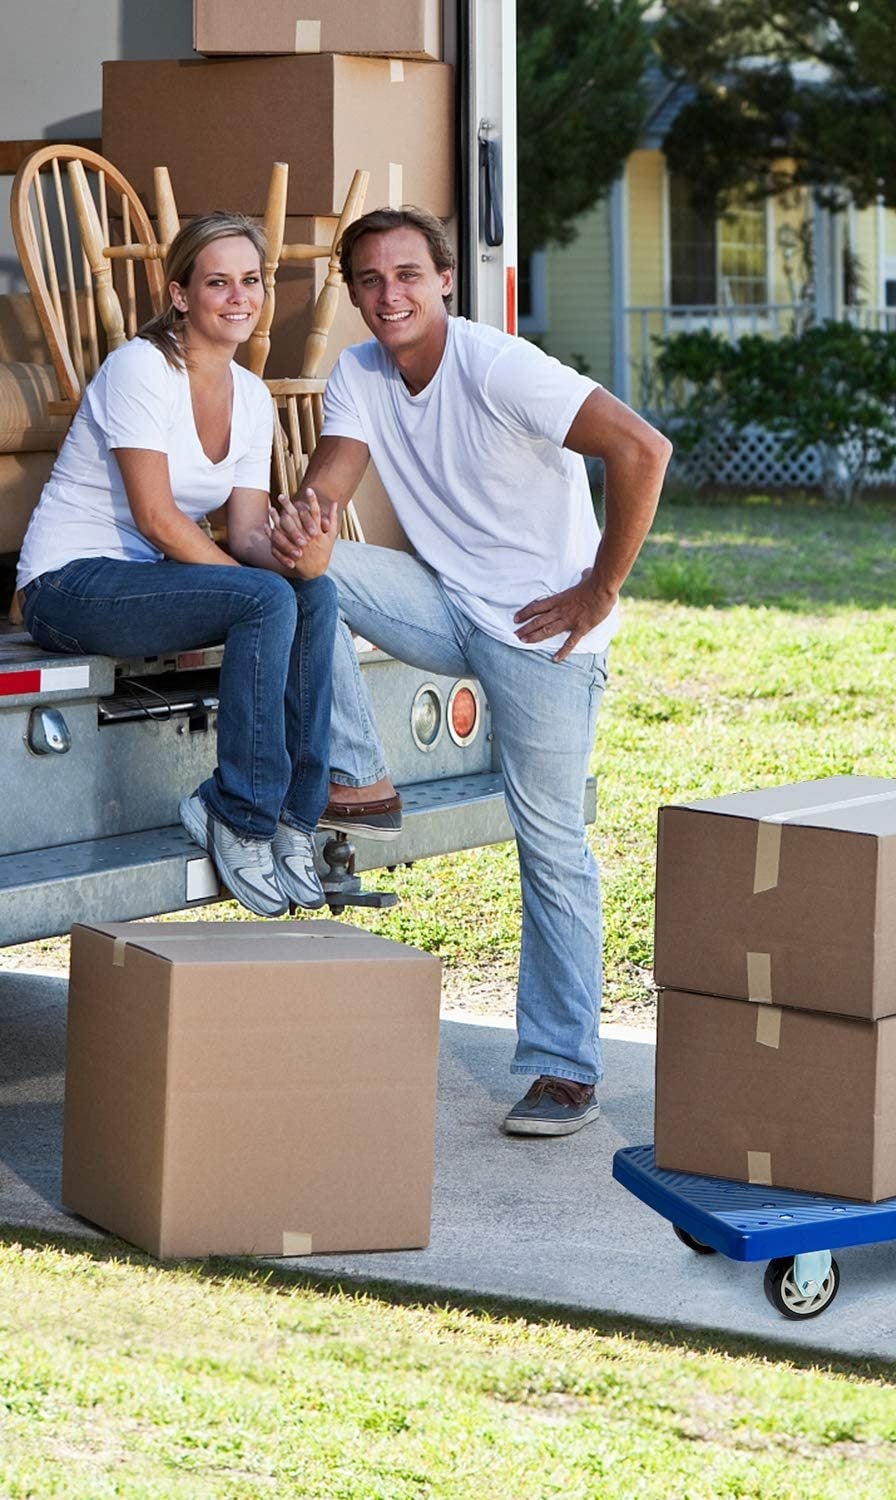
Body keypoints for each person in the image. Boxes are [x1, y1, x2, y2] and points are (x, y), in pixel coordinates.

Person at [269, 206, 669, 1137]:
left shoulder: (498, 366)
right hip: (447, 604)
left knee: (551, 843)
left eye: (407, 274)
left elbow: (642, 449)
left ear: (446, 280)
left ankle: (564, 1071)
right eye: (368, 279)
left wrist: (597, 590)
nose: (388, 294)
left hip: (541, 633)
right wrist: (298, 528)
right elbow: (326, 493)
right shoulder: (361, 372)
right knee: (294, 577)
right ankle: (359, 777)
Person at [16, 213, 339, 918]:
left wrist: (293, 553)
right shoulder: (142, 366)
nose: (238, 297)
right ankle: (238, 814)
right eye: (217, 282)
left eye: (251, 281)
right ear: (181, 293)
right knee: (266, 599)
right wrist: (255, 585)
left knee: (314, 593)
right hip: (68, 585)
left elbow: (248, 532)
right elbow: (159, 520)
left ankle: (293, 816)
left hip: (146, 585)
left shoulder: (251, 397)